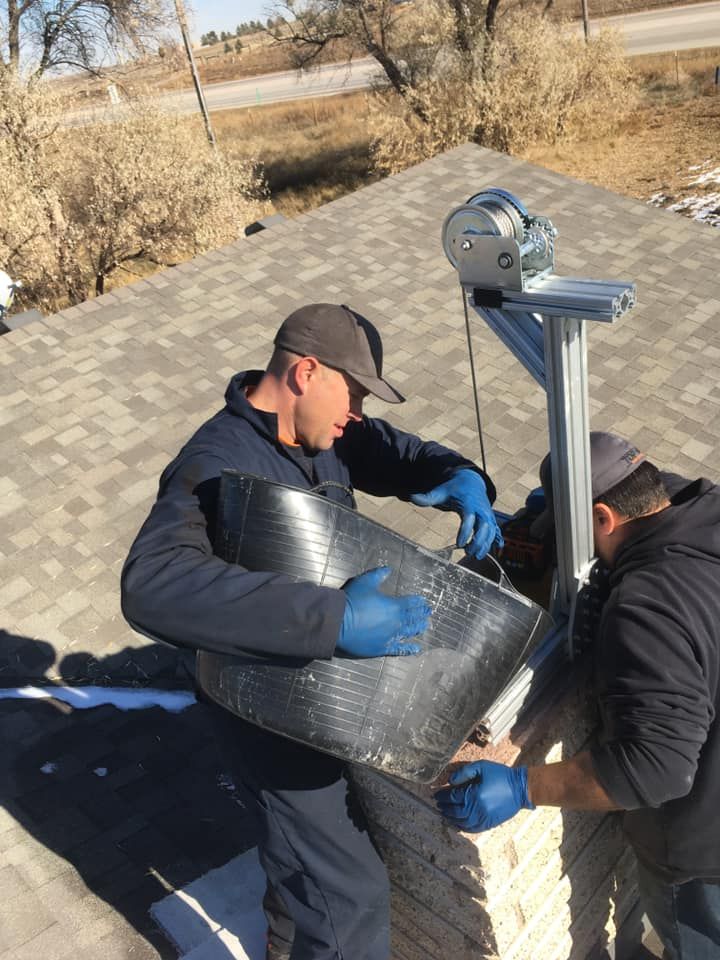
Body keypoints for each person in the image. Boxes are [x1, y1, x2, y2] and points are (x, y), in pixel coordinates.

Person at [121, 302, 502, 960]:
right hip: (265, 721)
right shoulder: (213, 466)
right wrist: (334, 618)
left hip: (318, 697)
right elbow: (150, 583)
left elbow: (397, 452)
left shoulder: (320, 434)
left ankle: (284, 942)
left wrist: (457, 476)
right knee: (348, 895)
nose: (356, 413)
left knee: (303, 872)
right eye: (352, 394)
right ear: (305, 372)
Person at [436, 431, 720, 960]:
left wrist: (522, 786)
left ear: (604, 517)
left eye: (570, 529)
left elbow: (655, 770)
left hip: (703, 853)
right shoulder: (702, 511)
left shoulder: (646, 609)